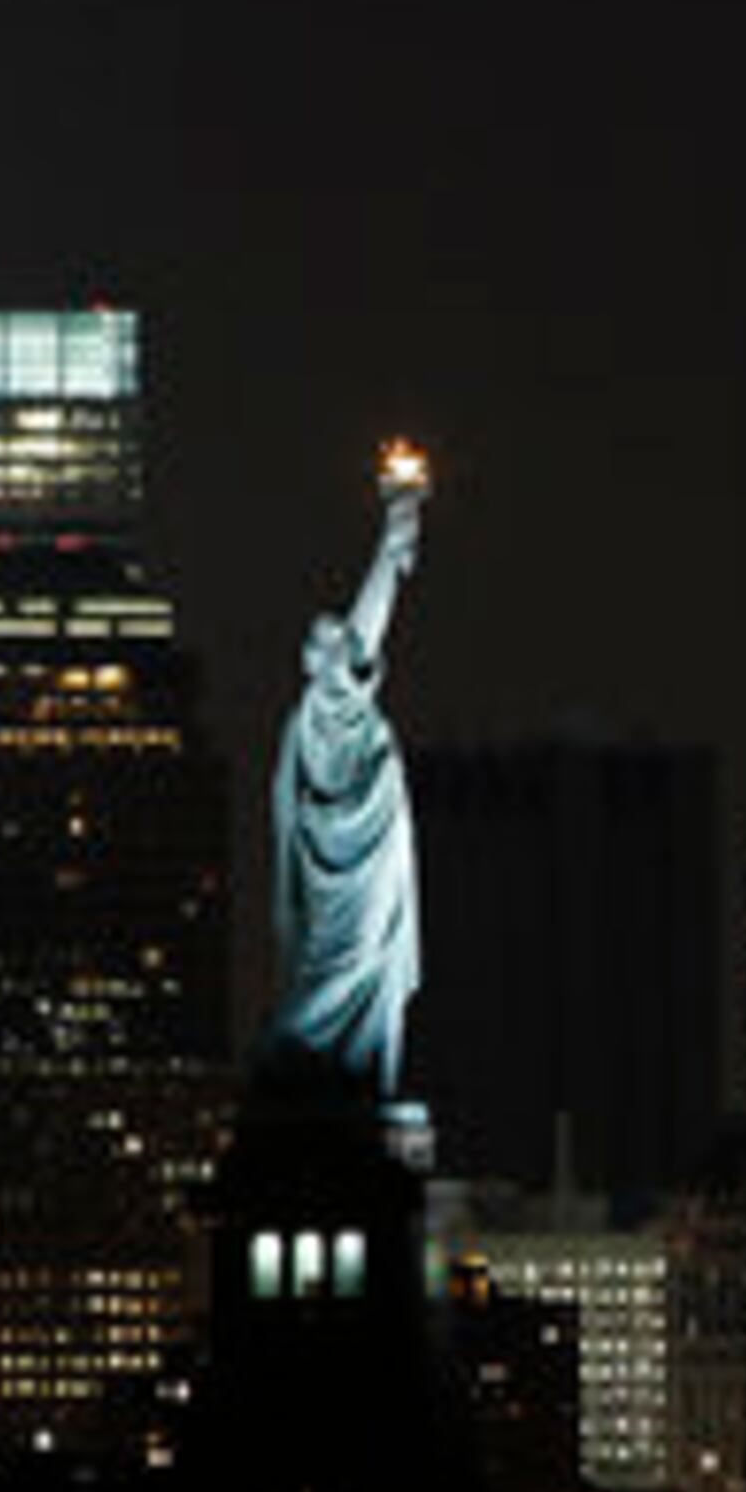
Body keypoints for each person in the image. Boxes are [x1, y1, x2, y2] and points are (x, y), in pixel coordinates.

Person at [266, 460, 427, 1095]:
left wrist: (395, 536)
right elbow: (367, 624)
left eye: (344, 645)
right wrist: (391, 541)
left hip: (371, 859)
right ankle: (292, 1055)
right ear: (313, 664)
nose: (344, 652)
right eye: (328, 645)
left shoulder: (346, 701)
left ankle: (348, 1081)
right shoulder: (320, 710)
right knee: (341, 965)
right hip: (330, 869)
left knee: (373, 965)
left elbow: (367, 629)